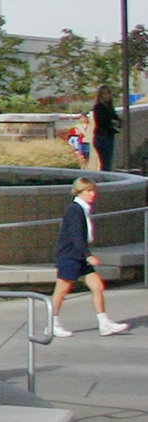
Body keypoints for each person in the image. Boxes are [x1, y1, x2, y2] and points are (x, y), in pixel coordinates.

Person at [50, 179, 131, 338]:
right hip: (70, 256)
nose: (92, 194)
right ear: (79, 192)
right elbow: (76, 236)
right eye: (88, 191)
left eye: (93, 191)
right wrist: (88, 255)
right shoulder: (75, 210)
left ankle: (104, 323)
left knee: (97, 286)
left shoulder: (83, 209)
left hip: (78, 256)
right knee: (62, 290)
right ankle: (52, 324)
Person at [92, 86, 122, 173]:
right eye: (105, 94)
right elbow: (103, 121)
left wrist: (116, 122)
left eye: (109, 93)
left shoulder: (109, 108)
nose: (108, 96)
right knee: (106, 163)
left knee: (107, 162)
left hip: (108, 136)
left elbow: (118, 120)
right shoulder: (99, 107)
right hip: (102, 137)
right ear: (100, 96)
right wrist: (113, 122)